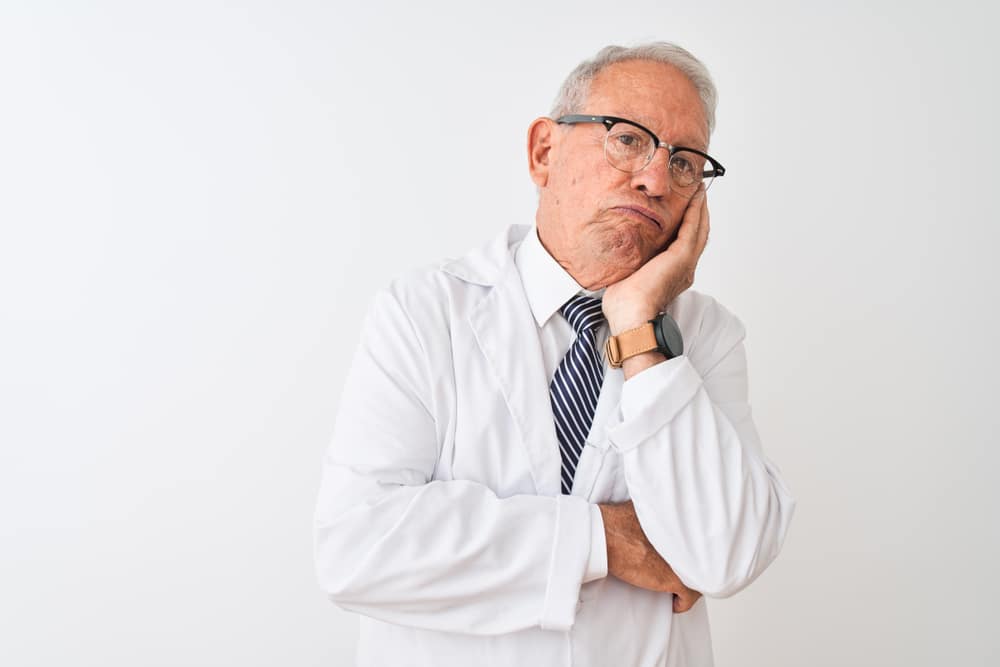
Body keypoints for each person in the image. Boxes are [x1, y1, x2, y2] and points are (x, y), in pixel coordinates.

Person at [313, 41, 796, 667]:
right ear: (545, 152)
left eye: (684, 163)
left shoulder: (705, 337)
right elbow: (358, 547)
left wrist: (640, 327)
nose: (654, 178)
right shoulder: (425, 312)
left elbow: (726, 554)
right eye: (628, 139)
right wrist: (607, 540)